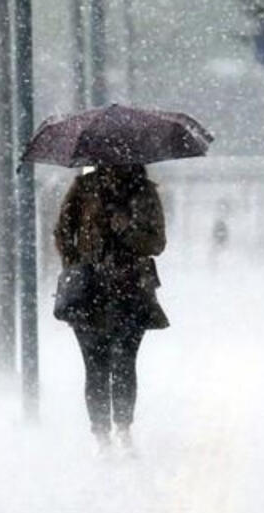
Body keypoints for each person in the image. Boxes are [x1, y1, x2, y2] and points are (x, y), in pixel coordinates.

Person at [55, 164, 168, 450]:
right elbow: (62, 232)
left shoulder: (144, 192)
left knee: (124, 362)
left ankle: (122, 427)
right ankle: (101, 433)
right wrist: (77, 265)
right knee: (95, 365)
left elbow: (157, 243)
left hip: (131, 290)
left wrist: (127, 229)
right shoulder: (83, 188)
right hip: (89, 292)